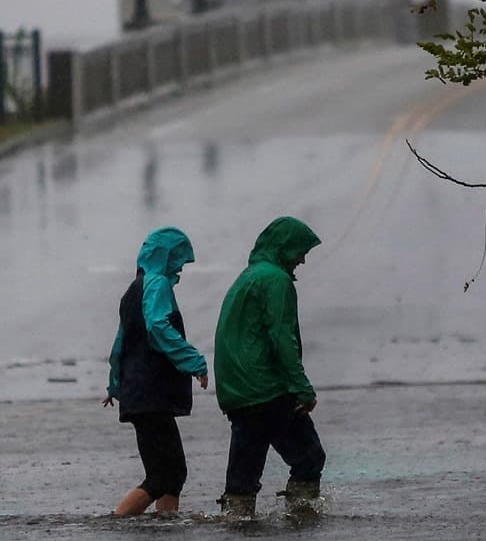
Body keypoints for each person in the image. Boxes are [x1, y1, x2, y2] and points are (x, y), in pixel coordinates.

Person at [213, 215, 325, 519]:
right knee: (309, 457)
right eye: (301, 251)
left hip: (237, 389)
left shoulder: (248, 276)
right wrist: (302, 389)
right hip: (266, 387)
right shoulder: (276, 281)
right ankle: (301, 519)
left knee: (243, 475)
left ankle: (237, 526)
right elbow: (281, 337)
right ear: (286, 248)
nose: (302, 260)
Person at [103, 227, 209, 517]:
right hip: (152, 395)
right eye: (178, 260)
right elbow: (158, 327)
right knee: (163, 475)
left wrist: (115, 385)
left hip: (139, 395)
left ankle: (167, 525)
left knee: (172, 473)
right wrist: (194, 362)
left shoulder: (132, 290)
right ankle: (116, 521)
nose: (180, 269)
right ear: (165, 257)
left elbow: (120, 344)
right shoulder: (157, 285)